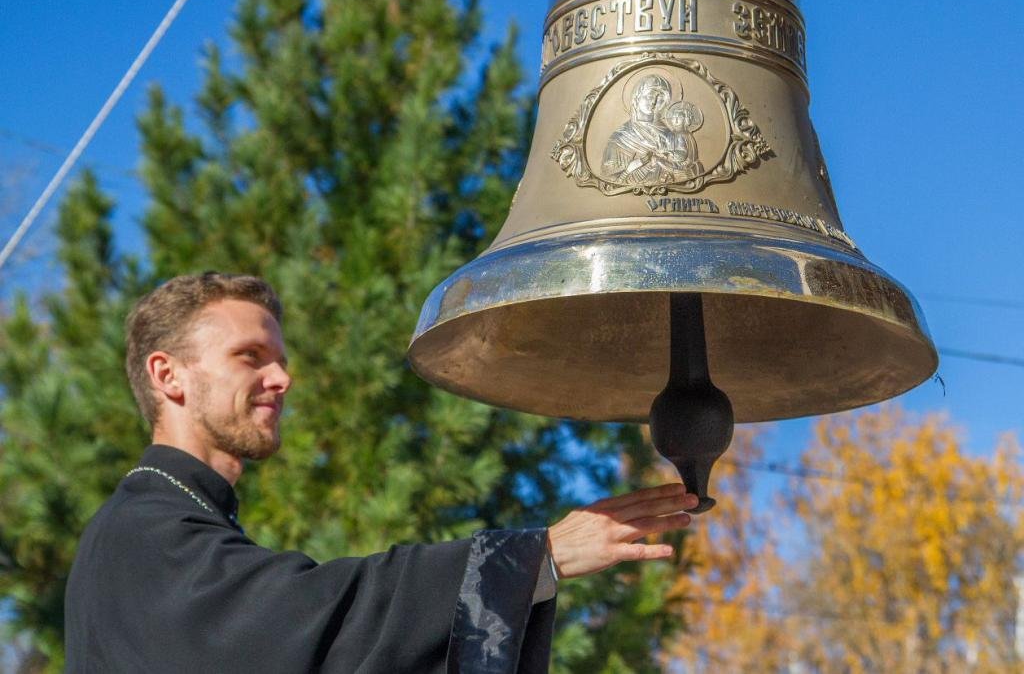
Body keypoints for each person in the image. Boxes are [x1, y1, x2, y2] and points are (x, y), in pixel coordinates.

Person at [64, 272, 698, 673]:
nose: (281, 380)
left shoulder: (171, 521)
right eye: (249, 357)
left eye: (281, 361)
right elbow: (311, 622)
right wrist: (534, 556)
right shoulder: (142, 533)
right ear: (167, 375)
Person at [602, 74, 700, 186]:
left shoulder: (670, 134)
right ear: (637, 97)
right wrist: (632, 168)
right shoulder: (620, 138)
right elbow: (609, 181)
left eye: (660, 98)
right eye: (650, 96)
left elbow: (683, 163)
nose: (654, 101)